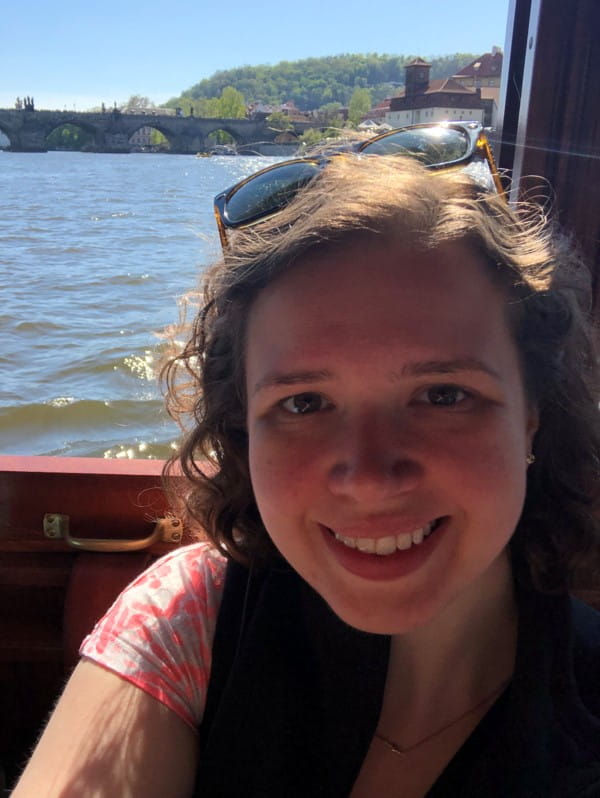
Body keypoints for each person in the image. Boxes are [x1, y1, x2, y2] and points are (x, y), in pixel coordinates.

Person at [13, 125, 600, 797]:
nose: (369, 478)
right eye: (303, 403)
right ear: (244, 428)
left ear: (532, 413)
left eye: (443, 395)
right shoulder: (192, 618)